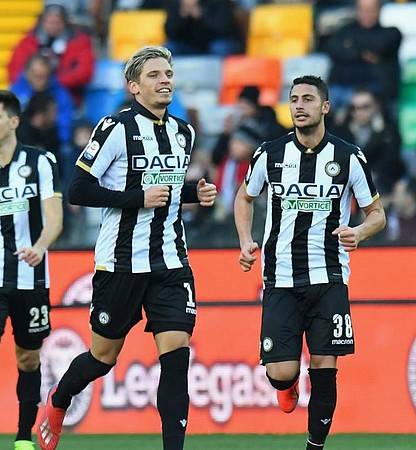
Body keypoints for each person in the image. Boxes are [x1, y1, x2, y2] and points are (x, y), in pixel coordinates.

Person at [36, 46, 218, 450]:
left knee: (176, 356)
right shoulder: (114, 128)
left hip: (171, 262)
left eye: (168, 73)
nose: (165, 80)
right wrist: (136, 197)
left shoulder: (183, 132)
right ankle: (59, 400)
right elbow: (78, 190)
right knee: (102, 357)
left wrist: (192, 192)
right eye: (154, 75)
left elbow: (164, 191)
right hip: (120, 263)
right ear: (134, 87)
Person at [234, 75, 386, 450]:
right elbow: (243, 197)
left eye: (307, 99)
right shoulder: (269, 153)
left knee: (325, 368)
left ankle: (314, 446)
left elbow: (377, 213)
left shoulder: (348, 157)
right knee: (281, 371)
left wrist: (360, 233)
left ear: (325, 107)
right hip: (280, 278)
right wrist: (245, 240)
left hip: (329, 276)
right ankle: (285, 387)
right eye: (294, 99)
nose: (299, 105)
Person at [0, 90, 63, 450]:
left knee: (28, 357)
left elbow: (54, 217)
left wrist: (39, 247)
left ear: (14, 121)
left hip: (30, 277)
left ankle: (22, 437)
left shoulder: (40, 163)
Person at [7, 4, 94, 103]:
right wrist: (34, 81)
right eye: (49, 22)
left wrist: (54, 82)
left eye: (57, 22)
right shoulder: (28, 41)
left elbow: (84, 72)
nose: (53, 26)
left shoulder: (79, 42)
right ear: (42, 22)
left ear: (65, 23)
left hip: (67, 94)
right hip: (30, 92)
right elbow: (14, 71)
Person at [324, 0, 402, 111]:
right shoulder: (343, 31)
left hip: (375, 92)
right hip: (340, 89)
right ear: (357, 11)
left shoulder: (392, 33)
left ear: (379, 10)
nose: (367, 14)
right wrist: (363, 53)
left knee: (362, 101)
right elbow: (332, 49)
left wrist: (350, 47)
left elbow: (379, 46)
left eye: (371, 10)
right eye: (363, 10)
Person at [331, 88, 403, 195]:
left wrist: (380, 133)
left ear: (376, 107)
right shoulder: (342, 131)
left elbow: (391, 163)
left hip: (381, 185)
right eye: (354, 108)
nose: (359, 112)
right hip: (348, 186)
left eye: (365, 107)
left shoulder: (388, 131)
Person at [11, 54, 74, 153]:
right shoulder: (16, 92)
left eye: (44, 77)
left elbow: (65, 123)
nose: (40, 81)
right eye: (36, 76)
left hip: (53, 142)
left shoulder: (59, 93)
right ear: (27, 73)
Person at [164, 0, 242, 56]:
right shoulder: (177, 3)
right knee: (169, 48)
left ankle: (214, 77)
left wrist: (199, 15)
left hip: (217, 42)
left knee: (219, 47)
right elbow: (170, 33)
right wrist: (182, 15)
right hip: (190, 45)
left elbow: (223, 30)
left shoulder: (219, 2)